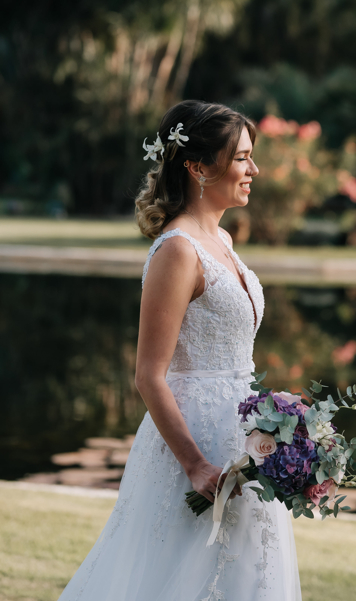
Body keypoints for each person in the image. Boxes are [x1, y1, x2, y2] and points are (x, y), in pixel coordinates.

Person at [58, 100, 302, 600]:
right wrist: (194, 463)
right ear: (197, 166)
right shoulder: (177, 250)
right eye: (241, 158)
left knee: (247, 571)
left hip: (244, 437)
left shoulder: (224, 239)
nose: (253, 169)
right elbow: (149, 374)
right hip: (193, 442)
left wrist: (281, 416)